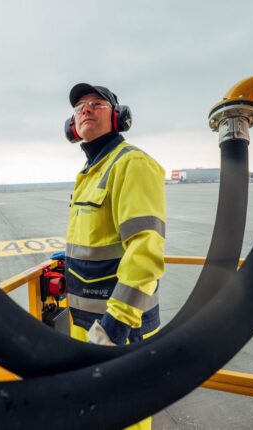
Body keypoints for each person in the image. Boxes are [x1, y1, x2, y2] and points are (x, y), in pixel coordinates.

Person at [62, 82, 166, 348]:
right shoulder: (89, 172)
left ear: (119, 117)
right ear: (72, 124)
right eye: (80, 107)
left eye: (97, 104)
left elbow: (145, 250)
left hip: (121, 330)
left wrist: (115, 326)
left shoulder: (131, 164)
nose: (87, 110)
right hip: (86, 325)